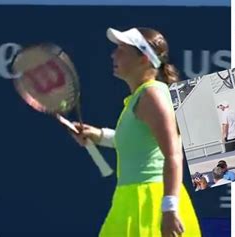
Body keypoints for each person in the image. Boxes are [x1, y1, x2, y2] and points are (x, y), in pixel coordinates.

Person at [71, 27, 201, 236]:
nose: (114, 54)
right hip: (129, 199)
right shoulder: (141, 97)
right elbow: (141, 145)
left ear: (143, 59)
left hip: (150, 202)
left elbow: (173, 154)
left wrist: (168, 209)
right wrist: (98, 135)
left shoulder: (152, 96)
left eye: (122, 49)